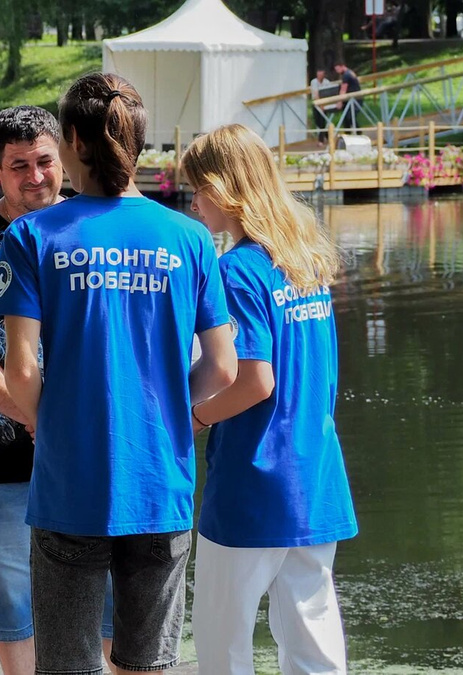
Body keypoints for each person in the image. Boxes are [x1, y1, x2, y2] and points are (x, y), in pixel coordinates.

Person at [0, 73, 237, 675]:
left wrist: (50, 422)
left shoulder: (30, 235)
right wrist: (176, 416)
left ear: (71, 138)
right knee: (147, 666)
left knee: (68, 665)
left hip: (69, 486)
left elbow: (20, 369)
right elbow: (224, 367)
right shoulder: (190, 237)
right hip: (161, 484)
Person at [0, 105, 116, 675]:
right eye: (18, 166)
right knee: (13, 596)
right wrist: (32, 412)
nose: (35, 176)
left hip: (92, 450)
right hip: (2, 454)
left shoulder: (95, 230)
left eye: (44, 162)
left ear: (64, 159)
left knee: (105, 596)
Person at [181, 123, 358, 675]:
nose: (193, 202)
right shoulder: (306, 262)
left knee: (222, 639)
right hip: (314, 475)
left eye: (198, 188)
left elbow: (256, 380)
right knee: (313, 635)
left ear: (225, 188)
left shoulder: (235, 270)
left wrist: (194, 418)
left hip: (253, 479)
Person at [309, 69, 336, 146]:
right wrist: (320, 104)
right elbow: (315, 93)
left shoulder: (326, 82)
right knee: (317, 121)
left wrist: (324, 104)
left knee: (322, 121)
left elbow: (328, 92)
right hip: (316, 104)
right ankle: (328, 136)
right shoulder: (314, 82)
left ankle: (321, 140)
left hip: (324, 103)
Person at [334, 62, 362, 133]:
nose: (337, 72)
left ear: (342, 66)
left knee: (349, 117)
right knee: (347, 118)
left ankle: (358, 133)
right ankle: (349, 134)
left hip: (354, 99)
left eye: (338, 69)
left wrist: (339, 101)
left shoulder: (346, 75)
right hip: (355, 98)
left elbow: (343, 89)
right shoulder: (350, 72)